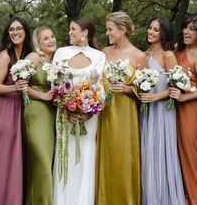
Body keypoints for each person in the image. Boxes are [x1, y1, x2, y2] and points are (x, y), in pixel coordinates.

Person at [96, 11, 147, 205]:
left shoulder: (140, 56)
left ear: (122, 30)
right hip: (105, 112)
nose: (107, 33)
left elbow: (144, 93)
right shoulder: (105, 53)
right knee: (106, 159)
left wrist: (127, 88)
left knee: (124, 160)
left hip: (126, 115)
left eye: (110, 29)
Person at [53, 17, 105, 205]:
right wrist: (67, 108)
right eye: (69, 29)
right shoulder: (61, 52)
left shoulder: (99, 56)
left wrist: (89, 111)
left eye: (73, 29)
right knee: (64, 152)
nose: (69, 32)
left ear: (85, 33)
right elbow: (55, 83)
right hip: (64, 114)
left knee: (86, 153)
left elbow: (100, 88)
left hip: (89, 116)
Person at [0, 17, 32, 205]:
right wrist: (15, 88)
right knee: (3, 158)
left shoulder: (29, 55)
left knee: (17, 159)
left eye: (19, 29)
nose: (15, 32)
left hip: (22, 110)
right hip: (5, 110)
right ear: (8, 33)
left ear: (25, 31)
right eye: (11, 30)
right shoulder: (5, 55)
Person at [139, 17, 185, 205]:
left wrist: (155, 97)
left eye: (155, 30)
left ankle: (164, 199)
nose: (150, 32)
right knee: (147, 153)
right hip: (145, 111)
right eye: (149, 28)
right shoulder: (144, 54)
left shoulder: (168, 55)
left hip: (162, 111)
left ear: (163, 33)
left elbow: (177, 87)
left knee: (161, 152)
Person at [23, 26, 57, 205]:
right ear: (38, 43)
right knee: (42, 160)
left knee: (47, 162)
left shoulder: (58, 60)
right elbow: (21, 84)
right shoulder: (34, 57)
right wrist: (43, 95)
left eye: (52, 36)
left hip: (52, 113)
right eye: (46, 38)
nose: (51, 40)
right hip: (35, 111)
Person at [169, 14, 197, 205]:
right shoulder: (177, 50)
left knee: (189, 151)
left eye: (193, 29)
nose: (186, 32)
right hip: (172, 110)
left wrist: (184, 97)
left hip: (191, 110)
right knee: (175, 151)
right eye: (186, 27)